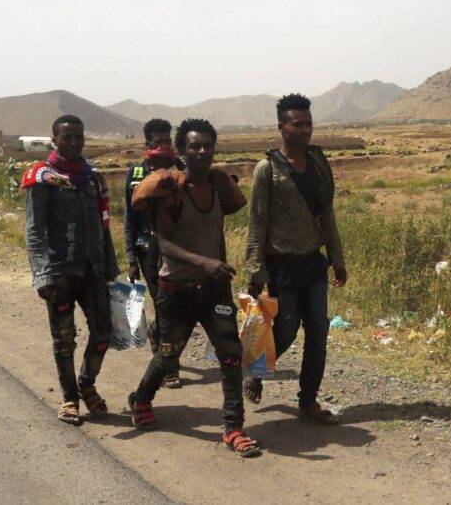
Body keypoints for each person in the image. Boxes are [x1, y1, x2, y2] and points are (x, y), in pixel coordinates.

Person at [127, 118, 260, 457]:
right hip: (177, 289)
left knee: (230, 354)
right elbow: (164, 244)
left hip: (214, 289)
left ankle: (233, 427)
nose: (202, 151)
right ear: (182, 152)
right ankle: (141, 397)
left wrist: (212, 266)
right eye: (194, 146)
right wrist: (203, 261)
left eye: (207, 146)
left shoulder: (218, 185)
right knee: (169, 354)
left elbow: (230, 209)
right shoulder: (170, 189)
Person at [244, 93, 347, 425]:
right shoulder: (267, 169)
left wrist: (337, 257)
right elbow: (257, 221)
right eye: (298, 124)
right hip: (282, 265)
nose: (306, 130)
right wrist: (255, 267)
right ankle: (256, 370)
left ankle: (308, 402)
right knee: (286, 329)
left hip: (313, 263)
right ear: (281, 127)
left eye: (309, 124)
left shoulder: (318, 164)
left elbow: (326, 213)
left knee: (318, 330)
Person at [22, 114, 120, 425]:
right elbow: (34, 231)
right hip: (59, 272)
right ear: (55, 140)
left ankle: (86, 384)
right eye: (68, 138)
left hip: (93, 270)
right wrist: (42, 275)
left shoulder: (92, 176)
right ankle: (69, 399)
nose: (75, 143)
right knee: (64, 340)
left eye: (79, 137)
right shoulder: (42, 177)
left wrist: (111, 269)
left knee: (104, 332)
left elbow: (103, 225)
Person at [123, 118, 185, 388]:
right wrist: (129, 258)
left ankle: (157, 336)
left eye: (166, 141)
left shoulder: (181, 169)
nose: (162, 146)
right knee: (165, 306)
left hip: (177, 250)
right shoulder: (136, 174)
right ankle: (169, 368)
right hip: (147, 249)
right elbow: (128, 217)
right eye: (157, 142)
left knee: (174, 307)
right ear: (147, 144)